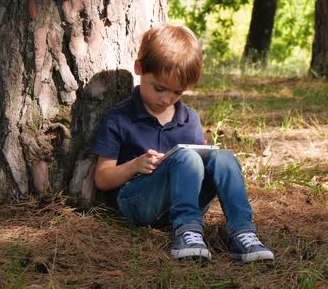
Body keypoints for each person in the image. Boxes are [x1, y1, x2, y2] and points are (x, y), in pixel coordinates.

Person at [91, 25, 274, 262]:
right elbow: (102, 178)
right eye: (159, 88)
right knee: (186, 157)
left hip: (183, 201)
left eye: (177, 92)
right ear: (139, 69)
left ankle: (243, 232)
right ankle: (187, 230)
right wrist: (135, 165)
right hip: (139, 202)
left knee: (224, 158)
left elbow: (204, 168)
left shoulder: (190, 120)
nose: (166, 99)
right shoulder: (120, 117)